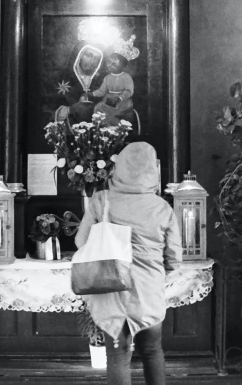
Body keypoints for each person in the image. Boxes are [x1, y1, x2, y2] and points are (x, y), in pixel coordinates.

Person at [75, 142, 182, 385]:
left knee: (118, 356)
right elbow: (174, 258)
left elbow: (81, 241)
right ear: (152, 171)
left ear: (118, 167)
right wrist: (154, 270)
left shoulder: (101, 200)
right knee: (153, 351)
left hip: (111, 290)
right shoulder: (162, 208)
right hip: (148, 293)